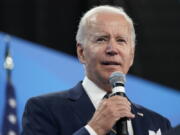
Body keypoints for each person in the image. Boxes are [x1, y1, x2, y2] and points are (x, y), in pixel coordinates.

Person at [22, 5, 171, 135]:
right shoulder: (44, 109)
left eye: (121, 40)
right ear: (81, 53)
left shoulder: (158, 124)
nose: (112, 49)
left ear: (131, 56)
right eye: (101, 39)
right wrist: (93, 130)